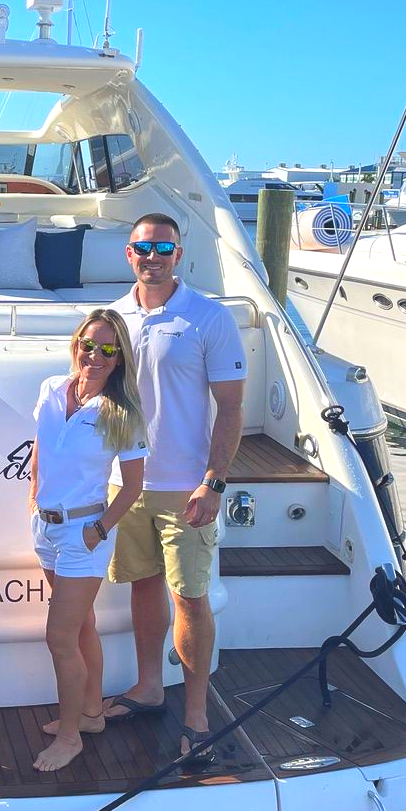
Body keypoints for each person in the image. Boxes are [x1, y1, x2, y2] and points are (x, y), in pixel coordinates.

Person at [103, 212, 246, 762]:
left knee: (190, 597)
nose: (153, 258)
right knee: (142, 587)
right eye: (144, 248)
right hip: (127, 482)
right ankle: (147, 688)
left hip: (186, 487)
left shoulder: (208, 317)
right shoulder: (113, 318)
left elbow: (230, 408)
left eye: (164, 248)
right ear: (129, 254)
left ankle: (197, 716)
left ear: (179, 255)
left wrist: (214, 482)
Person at [28, 309, 146, 772]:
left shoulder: (122, 414)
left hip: (84, 534)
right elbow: (41, 447)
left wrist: (98, 531)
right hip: (46, 528)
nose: (95, 356)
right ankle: (92, 713)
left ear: (119, 360)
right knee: (81, 627)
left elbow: (132, 488)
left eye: (108, 350)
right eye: (89, 345)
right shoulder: (51, 389)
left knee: (58, 636)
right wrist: (34, 498)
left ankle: (70, 735)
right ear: (76, 344)